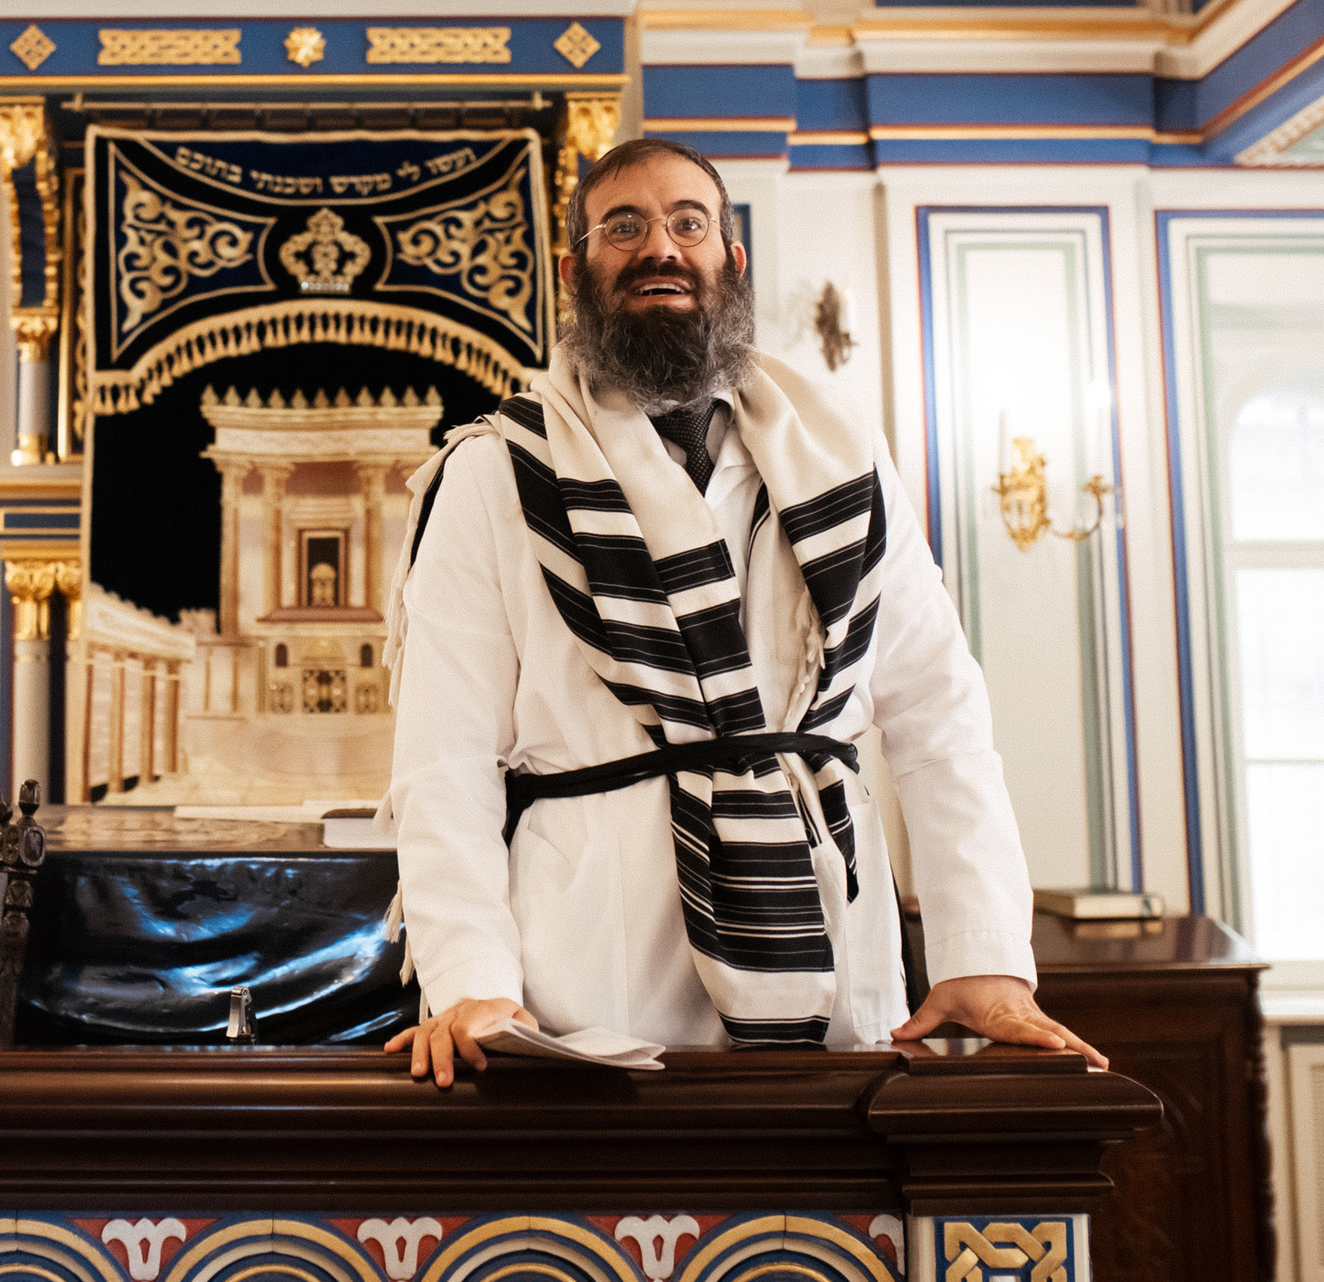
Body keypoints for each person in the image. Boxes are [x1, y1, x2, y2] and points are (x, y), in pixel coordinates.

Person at [380, 137, 1104, 1086]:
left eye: (690, 223)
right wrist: (471, 980)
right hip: (590, 981)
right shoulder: (492, 471)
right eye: (624, 227)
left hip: (839, 965)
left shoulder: (845, 460)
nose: (662, 247)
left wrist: (983, 957)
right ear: (574, 271)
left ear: (732, 258)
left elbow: (939, 719)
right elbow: (445, 757)